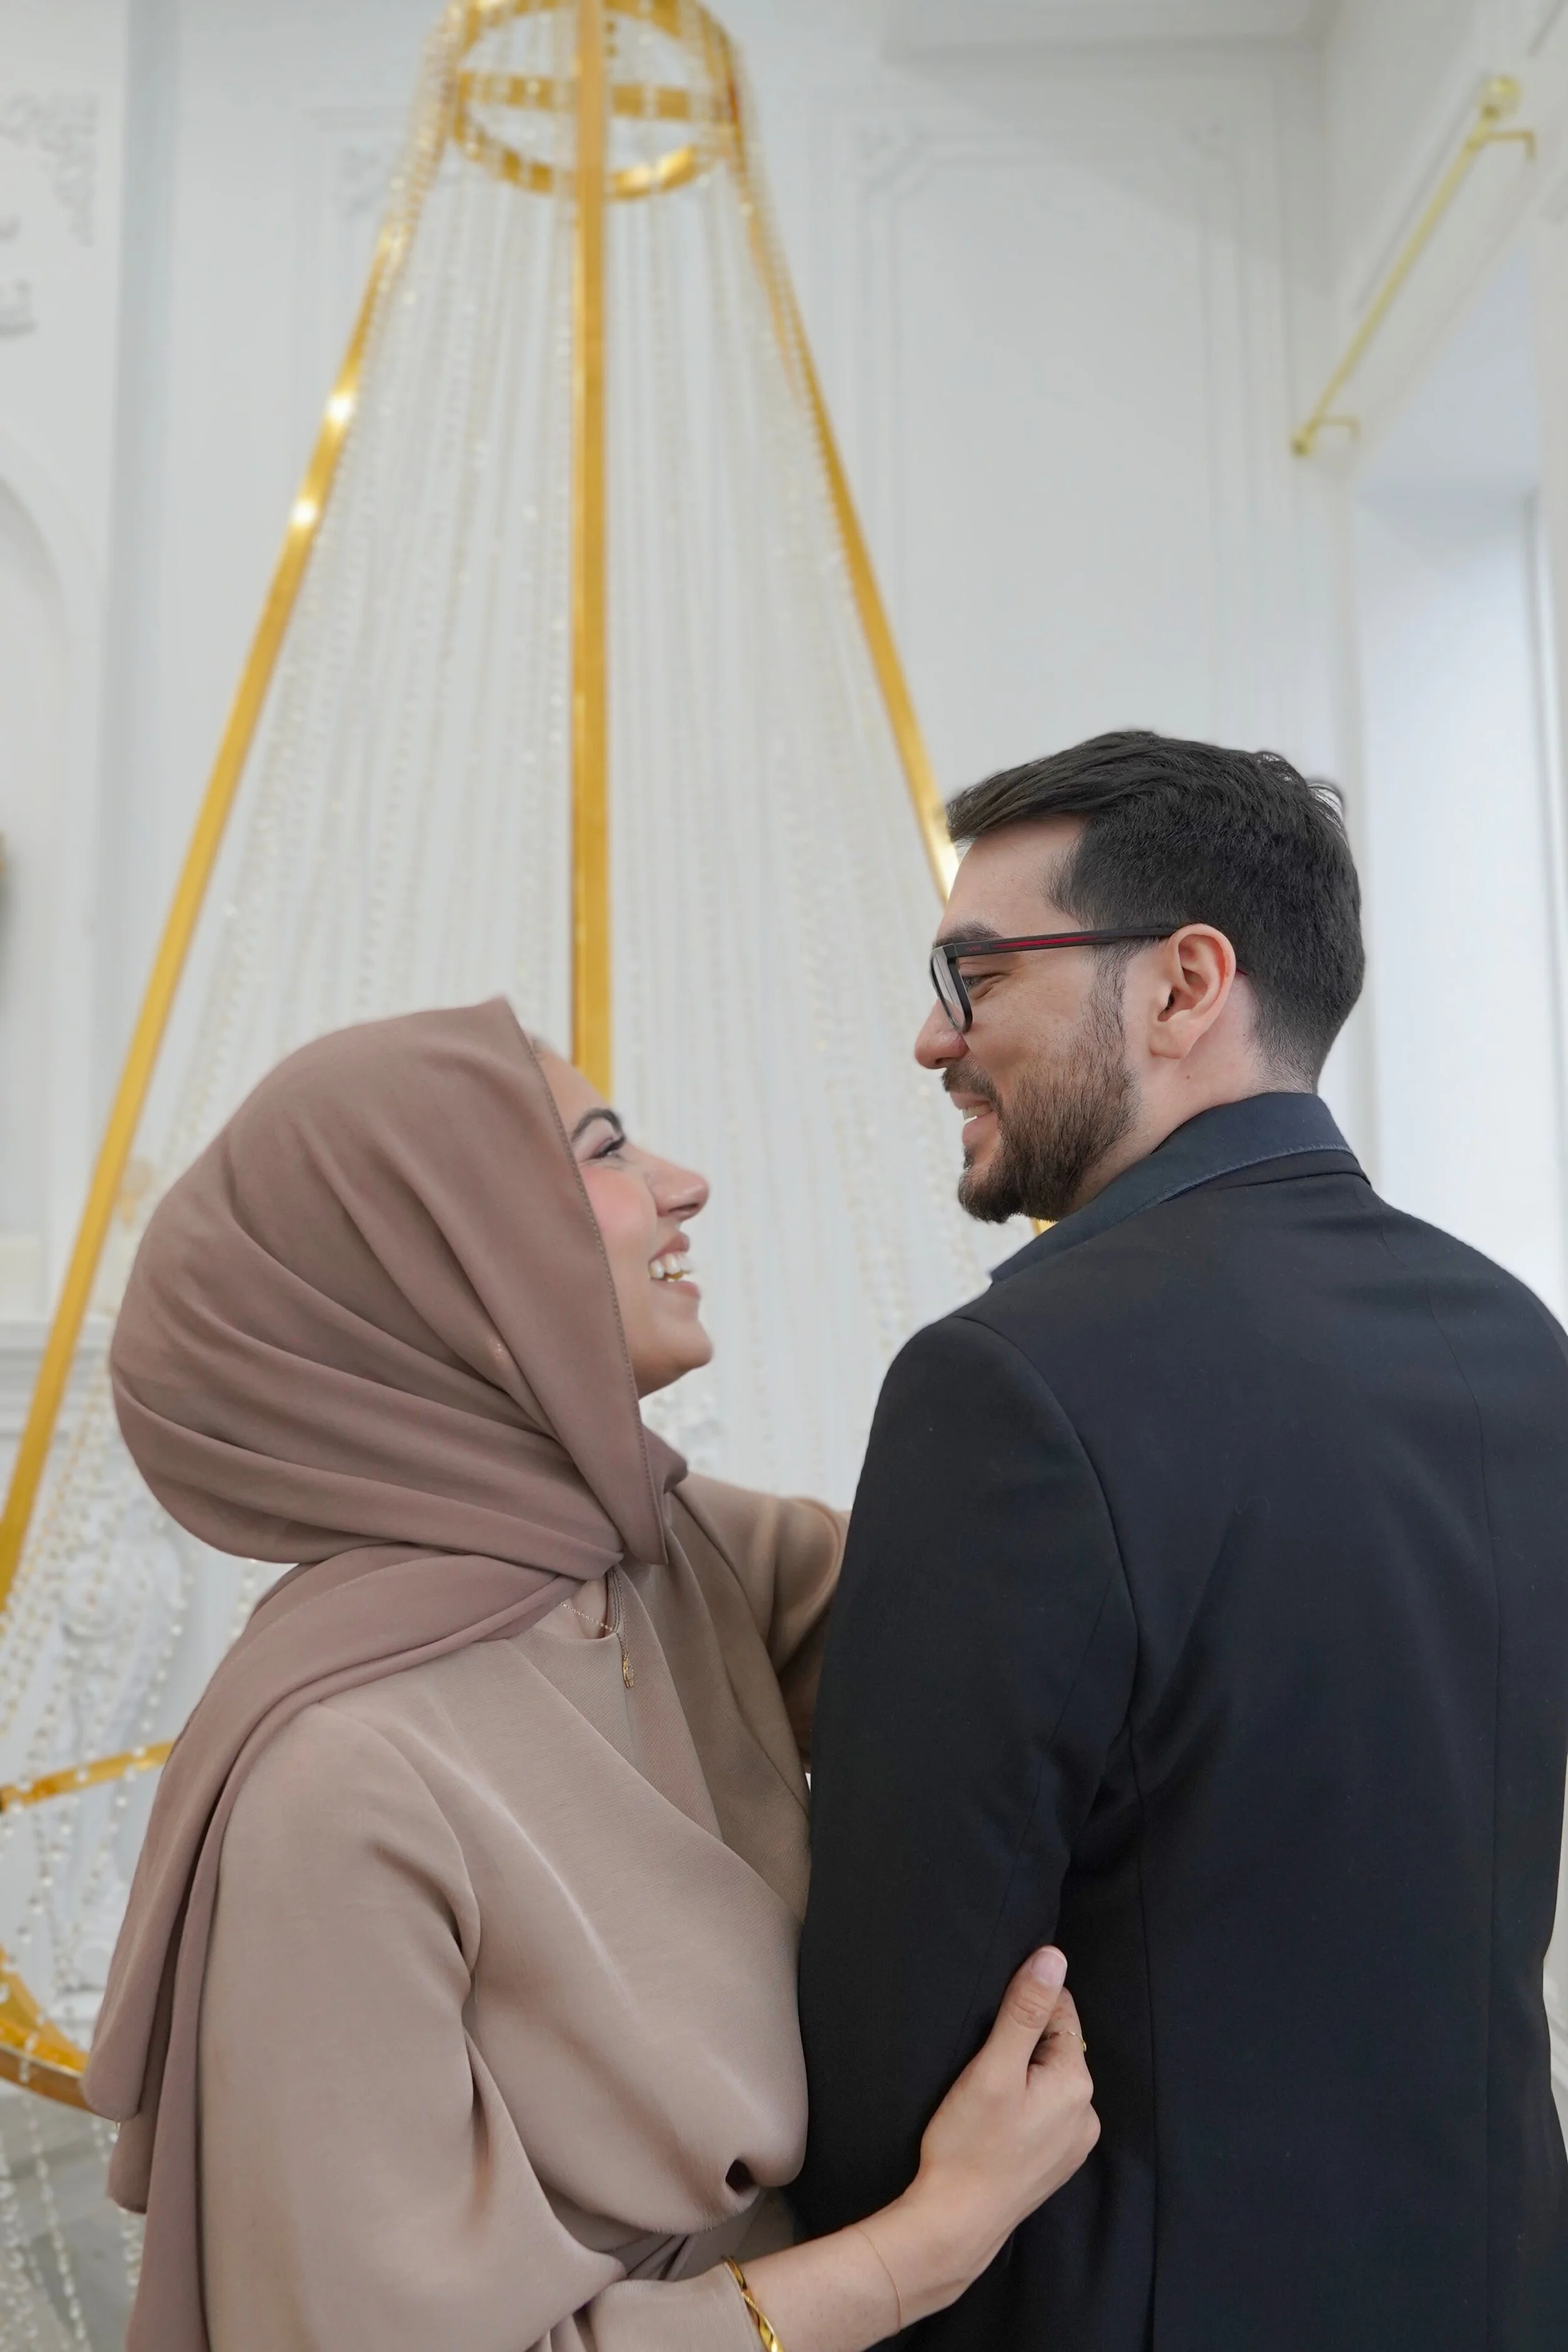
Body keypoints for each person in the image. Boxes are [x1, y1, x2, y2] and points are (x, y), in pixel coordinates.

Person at [84, 997, 1098, 2352]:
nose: (684, 1184)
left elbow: (1020, 1624)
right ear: (446, 1261)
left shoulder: (660, 1556)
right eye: (606, 1149)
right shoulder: (338, 1779)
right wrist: (931, 2243)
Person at [795, 730, 1568, 2349]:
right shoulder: (1512, 1337)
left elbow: (905, 2008)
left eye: (977, 971)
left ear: (1180, 982)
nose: (932, 1033)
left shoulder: (1007, 1380)